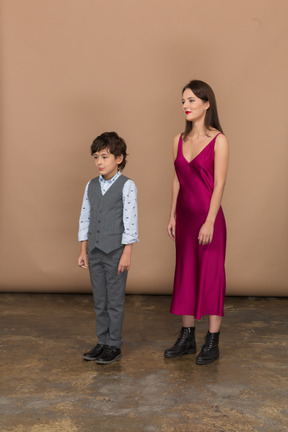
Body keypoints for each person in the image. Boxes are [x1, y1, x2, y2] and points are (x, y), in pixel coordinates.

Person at [164, 80, 229, 365]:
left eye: (191, 100)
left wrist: (210, 221)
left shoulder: (219, 140)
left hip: (208, 218)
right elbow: (178, 178)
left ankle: (212, 341)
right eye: (183, 101)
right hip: (186, 218)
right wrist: (172, 215)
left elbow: (220, 185)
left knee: (212, 276)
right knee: (186, 274)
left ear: (206, 104)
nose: (185, 106)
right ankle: (186, 336)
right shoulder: (178, 140)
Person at [77, 131, 138, 365]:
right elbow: (85, 217)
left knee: (114, 301)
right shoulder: (91, 185)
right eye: (96, 157)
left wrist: (126, 254)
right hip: (94, 251)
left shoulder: (127, 186)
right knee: (99, 301)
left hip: (115, 253)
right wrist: (83, 250)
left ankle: (114, 344)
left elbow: (130, 221)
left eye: (104, 156)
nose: (99, 162)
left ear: (119, 158)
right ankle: (102, 341)